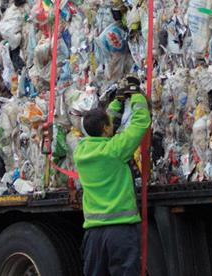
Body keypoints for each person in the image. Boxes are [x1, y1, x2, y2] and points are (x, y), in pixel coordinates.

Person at [74, 76, 151, 276]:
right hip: (120, 232)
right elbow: (141, 122)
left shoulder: (80, 152)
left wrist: (117, 100)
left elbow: (100, 123)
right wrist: (136, 95)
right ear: (107, 128)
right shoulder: (115, 150)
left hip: (93, 234)